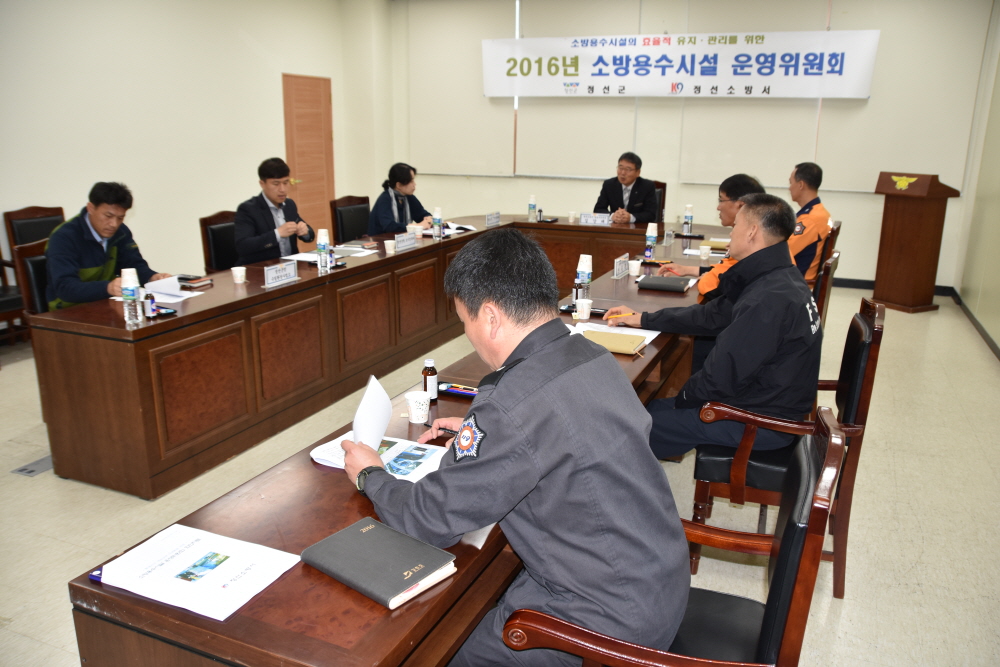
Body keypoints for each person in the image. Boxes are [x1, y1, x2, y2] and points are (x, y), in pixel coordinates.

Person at [342, 228, 690, 666]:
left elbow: (430, 520)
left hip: (605, 627)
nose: (467, 332)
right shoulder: (590, 354)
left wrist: (371, 474)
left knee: (431, 649)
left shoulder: (511, 405)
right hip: (657, 583)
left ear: (489, 316)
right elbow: (554, 429)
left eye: (464, 320)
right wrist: (491, 433)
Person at [604, 194, 822, 460]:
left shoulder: (767, 299)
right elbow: (710, 315)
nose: (731, 233)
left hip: (760, 421)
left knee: (628, 427)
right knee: (650, 409)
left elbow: (722, 375)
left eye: (736, 226)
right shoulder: (779, 276)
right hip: (764, 400)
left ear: (752, 232)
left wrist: (682, 400)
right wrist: (644, 319)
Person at [46, 182, 170, 311]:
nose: (114, 224)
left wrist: (152, 278)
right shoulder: (64, 237)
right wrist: (108, 288)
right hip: (68, 311)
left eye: (120, 218)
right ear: (90, 208)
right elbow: (65, 288)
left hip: (105, 305)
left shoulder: (121, 233)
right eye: (108, 216)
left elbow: (133, 266)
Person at [658, 173, 766, 299]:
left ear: (741, 205)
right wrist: (686, 270)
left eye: (721, 200)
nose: (718, 207)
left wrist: (707, 278)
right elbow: (724, 269)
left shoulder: (749, 241)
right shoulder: (759, 232)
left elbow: (711, 287)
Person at [234, 158, 315, 265]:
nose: (282, 189)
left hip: (291, 267)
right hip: (261, 269)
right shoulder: (248, 209)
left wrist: (305, 231)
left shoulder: (289, 204)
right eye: (276, 184)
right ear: (262, 184)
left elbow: (309, 234)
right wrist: (277, 234)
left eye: (286, 183)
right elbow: (243, 246)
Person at [788, 161, 832, 282]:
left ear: (801, 185)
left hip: (796, 283)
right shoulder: (820, 212)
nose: (789, 188)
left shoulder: (810, 219)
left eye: (791, 183)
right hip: (795, 279)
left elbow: (783, 252)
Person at [368, 163, 432, 236]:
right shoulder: (385, 199)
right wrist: (417, 226)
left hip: (402, 239)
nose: (414, 184)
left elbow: (422, 215)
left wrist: (429, 220)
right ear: (399, 185)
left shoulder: (408, 197)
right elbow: (389, 226)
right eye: (411, 181)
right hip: (380, 240)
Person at [593, 152, 659, 224]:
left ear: (638, 172)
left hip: (637, 228)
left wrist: (631, 218)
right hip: (615, 227)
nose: (623, 173)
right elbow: (598, 209)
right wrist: (612, 216)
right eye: (620, 168)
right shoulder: (609, 185)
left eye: (628, 169)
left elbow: (651, 214)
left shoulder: (647, 186)